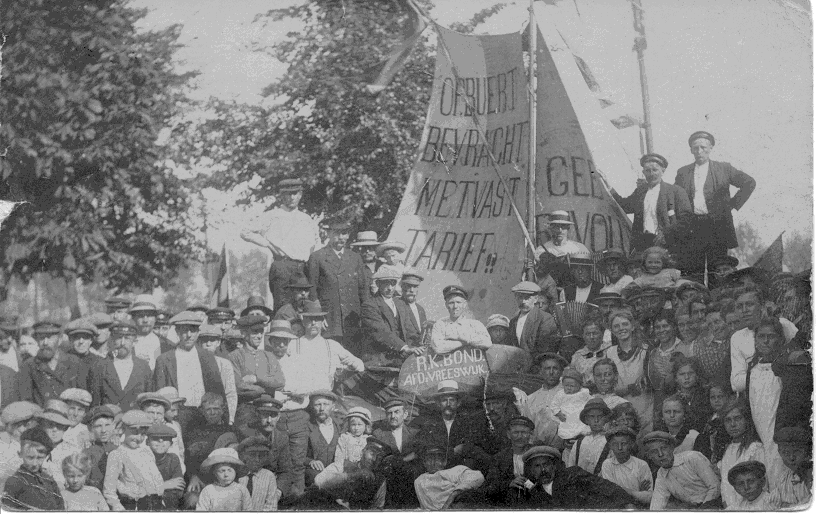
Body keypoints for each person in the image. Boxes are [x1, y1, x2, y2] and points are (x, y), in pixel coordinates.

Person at [674, 131, 756, 271]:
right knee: (693, 270)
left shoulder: (724, 169)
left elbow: (749, 182)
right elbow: (675, 196)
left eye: (703, 147)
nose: (699, 151)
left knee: (718, 269)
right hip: (692, 227)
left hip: (717, 227)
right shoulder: (683, 172)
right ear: (691, 150)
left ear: (710, 148)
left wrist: (732, 204)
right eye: (695, 148)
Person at [241, 178, 322, 313]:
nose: (291, 197)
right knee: (283, 308)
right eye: (287, 194)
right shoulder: (272, 215)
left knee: (306, 307)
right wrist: (267, 244)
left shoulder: (306, 219)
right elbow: (245, 231)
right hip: (282, 266)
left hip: (304, 268)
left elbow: (316, 242)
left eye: (295, 193)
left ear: (300, 195)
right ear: (281, 195)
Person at [153, 311, 227, 431]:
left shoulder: (207, 357)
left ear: (198, 332)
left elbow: (218, 392)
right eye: (184, 330)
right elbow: (159, 397)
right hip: (177, 418)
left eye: (192, 330)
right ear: (177, 332)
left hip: (205, 416)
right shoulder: (164, 360)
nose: (188, 335)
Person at [305, 219, 369, 349]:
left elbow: (363, 290)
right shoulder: (317, 257)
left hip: (352, 319)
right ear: (329, 234)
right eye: (337, 233)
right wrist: (318, 317)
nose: (341, 237)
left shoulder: (355, 258)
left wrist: (366, 317)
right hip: (330, 319)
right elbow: (312, 291)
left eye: (344, 233)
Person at [609, 153, 692, 252]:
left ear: (663, 171)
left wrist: (667, 233)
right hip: (642, 243)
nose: (651, 174)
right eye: (648, 171)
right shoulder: (640, 191)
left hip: (666, 243)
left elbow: (686, 220)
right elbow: (624, 206)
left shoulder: (676, 191)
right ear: (643, 172)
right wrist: (609, 187)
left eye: (655, 170)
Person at [730, 288, 797, 394]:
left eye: (749, 304)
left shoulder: (783, 325)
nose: (744, 310)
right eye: (739, 306)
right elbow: (736, 383)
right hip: (756, 396)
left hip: (786, 391)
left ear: (761, 306)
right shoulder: (737, 338)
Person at [414, 381, 491, 471]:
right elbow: (424, 448)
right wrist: (453, 451)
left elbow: (469, 447)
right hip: (438, 471)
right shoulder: (430, 425)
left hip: (462, 470)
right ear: (438, 404)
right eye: (444, 400)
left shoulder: (468, 423)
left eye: (452, 400)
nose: (448, 404)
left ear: (458, 403)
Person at [103, 410, 167, 511]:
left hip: (155, 503)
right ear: (124, 430)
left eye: (143, 434)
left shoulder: (147, 451)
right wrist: (117, 507)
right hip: (134, 505)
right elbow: (109, 489)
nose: (139, 438)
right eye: (135, 432)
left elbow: (155, 477)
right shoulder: (116, 454)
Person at [361, 266, 422, 367]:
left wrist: (420, 345)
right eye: (386, 283)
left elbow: (409, 329)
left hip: (398, 355)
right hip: (379, 357)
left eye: (393, 283)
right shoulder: (369, 305)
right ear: (378, 284)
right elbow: (380, 332)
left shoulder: (400, 303)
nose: (390, 288)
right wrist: (404, 347)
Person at [644, 431, 721, 509]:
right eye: (654, 451)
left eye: (664, 448)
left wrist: (702, 510)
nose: (660, 454)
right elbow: (657, 504)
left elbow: (715, 487)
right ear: (649, 456)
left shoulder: (692, 458)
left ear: (671, 448)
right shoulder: (661, 475)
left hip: (716, 505)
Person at [88, 320, 153, 412]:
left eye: (127, 338)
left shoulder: (144, 367)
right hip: (109, 422)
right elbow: (95, 405)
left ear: (134, 342)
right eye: (119, 338)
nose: (122, 343)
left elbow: (148, 403)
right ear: (112, 340)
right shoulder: (100, 366)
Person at [19, 321, 87, 406]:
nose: (45, 342)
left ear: (60, 340)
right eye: (41, 338)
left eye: (50, 337)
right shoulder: (28, 366)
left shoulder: (75, 362)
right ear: (36, 340)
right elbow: (26, 403)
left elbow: (85, 398)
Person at [606, 310, 651, 431]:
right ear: (611, 330)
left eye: (625, 324)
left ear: (632, 326)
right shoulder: (610, 353)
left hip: (645, 409)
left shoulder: (645, 350)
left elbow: (648, 383)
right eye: (616, 326)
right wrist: (630, 388)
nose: (621, 328)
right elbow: (608, 386)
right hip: (620, 414)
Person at [1, 427, 65, 511]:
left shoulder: (49, 480)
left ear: (47, 456)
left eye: (39, 458)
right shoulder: (14, 482)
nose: (34, 463)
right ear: (20, 454)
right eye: (30, 458)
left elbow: (61, 508)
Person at [745, 317, 786, 446]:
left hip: (781, 437)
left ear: (780, 340)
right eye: (761, 336)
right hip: (761, 436)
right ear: (755, 340)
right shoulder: (753, 370)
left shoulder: (785, 368)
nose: (766, 341)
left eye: (771, 336)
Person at [717, 398, 764, 509]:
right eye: (728, 420)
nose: (733, 424)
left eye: (737, 418)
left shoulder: (755, 448)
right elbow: (725, 486)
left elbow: (762, 486)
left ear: (746, 420)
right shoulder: (728, 449)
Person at [514, 353, 567, 447]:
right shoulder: (531, 400)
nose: (551, 372)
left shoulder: (568, 394)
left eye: (555, 368)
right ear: (540, 372)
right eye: (547, 368)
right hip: (540, 450)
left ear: (561, 372)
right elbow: (527, 430)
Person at [481, 416, 535, 506]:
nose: (520, 437)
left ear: (530, 434)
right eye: (516, 432)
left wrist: (530, 485)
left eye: (524, 432)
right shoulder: (499, 458)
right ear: (508, 434)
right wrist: (509, 483)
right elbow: (489, 487)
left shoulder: (536, 454)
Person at [413, 443, 485, 510]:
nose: (433, 463)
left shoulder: (454, 471)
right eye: (429, 459)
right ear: (424, 463)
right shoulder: (419, 481)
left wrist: (454, 494)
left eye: (437, 459)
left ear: (445, 461)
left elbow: (478, 477)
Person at [314, 407, 371, 487]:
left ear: (366, 426)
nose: (356, 428)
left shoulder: (368, 439)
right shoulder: (345, 437)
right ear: (348, 425)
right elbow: (339, 456)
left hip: (363, 470)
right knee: (321, 479)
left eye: (360, 425)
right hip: (345, 467)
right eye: (353, 425)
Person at [229, 316, 285, 397]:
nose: (259, 336)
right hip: (246, 405)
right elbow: (238, 386)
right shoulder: (234, 356)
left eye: (261, 332)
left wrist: (256, 379)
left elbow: (280, 382)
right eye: (255, 332)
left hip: (269, 405)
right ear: (244, 333)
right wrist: (267, 389)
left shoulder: (269, 356)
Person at [429, 285, 492, 355]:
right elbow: (438, 348)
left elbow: (487, 342)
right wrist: (462, 342)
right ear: (446, 305)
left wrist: (462, 337)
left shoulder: (475, 324)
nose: (455, 306)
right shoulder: (440, 324)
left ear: (464, 304)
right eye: (451, 303)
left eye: (458, 302)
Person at [600, 426, 652, 506]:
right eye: (615, 444)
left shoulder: (641, 465)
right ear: (610, 446)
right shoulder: (607, 464)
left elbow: (649, 498)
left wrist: (622, 490)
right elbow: (612, 494)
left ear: (631, 444)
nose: (620, 448)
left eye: (624, 444)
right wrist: (637, 494)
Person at [507, 281, 559, 356]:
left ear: (535, 299)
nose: (523, 301)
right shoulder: (513, 321)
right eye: (520, 297)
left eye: (527, 298)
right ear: (515, 298)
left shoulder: (545, 319)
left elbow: (546, 351)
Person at [0, 402, 42, 492]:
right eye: (21, 425)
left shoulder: (31, 444)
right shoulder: (4, 446)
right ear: (11, 426)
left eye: (30, 425)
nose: (25, 429)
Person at [303, 391, 341, 487]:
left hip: (336, 472)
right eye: (317, 404)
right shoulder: (306, 426)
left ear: (333, 406)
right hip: (314, 475)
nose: (322, 408)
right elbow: (296, 454)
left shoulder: (340, 426)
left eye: (326, 404)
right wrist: (310, 461)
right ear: (312, 406)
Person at [566, 397, 611, 473]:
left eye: (600, 416)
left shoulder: (609, 441)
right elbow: (571, 468)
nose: (596, 420)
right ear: (586, 419)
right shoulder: (579, 443)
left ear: (606, 418)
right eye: (592, 417)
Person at [236, 436, 282, 510]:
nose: (257, 460)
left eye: (262, 456)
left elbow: (271, 505)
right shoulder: (238, 475)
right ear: (243, 456)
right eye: (252, 455)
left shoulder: (269, 476)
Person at [145, 424, 184, 509]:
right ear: (147, 442)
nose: (161, 441)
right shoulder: (142, 459)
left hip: (168, 504)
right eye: (155, 438)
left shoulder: (173, 459)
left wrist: (154, 489)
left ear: (171, 443)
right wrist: (165, 485)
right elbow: (139, 488)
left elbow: (179, 488)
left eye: (166, 438)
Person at [771, 426, 812, 508]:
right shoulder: (783, 479)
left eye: (797, 451)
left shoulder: (811, 478)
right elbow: (772, 506)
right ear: (779, 452)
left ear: (808, 452)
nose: (791, 458)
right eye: (786, 452)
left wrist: (788, 506)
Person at [550, 367, 591, 443]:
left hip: (580, 416)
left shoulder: (583, 393)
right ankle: (569, 440)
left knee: (583, 429)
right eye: (566, 385)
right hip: (567, 418)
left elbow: (591, 401)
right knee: (567, 431)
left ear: (579, 386)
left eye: (572, 386)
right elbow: (554, 405)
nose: (569, 388)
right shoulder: (560, 394)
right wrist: (559, 414)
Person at [85, 405, 118, 490]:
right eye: (98, 426)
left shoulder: (119, 448)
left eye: (107, 425)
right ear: (90, 428)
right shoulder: (87, 453)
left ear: (113, 425)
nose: (103, 430)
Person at [129, 294, 164, 371]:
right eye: (141, 316)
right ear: (134, 318)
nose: (145, 320)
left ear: (155, 318)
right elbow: (114, 358)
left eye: (149, 315)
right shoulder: (125, 341)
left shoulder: (166, 344)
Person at [399, 269, 428, 347]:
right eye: (408, 286)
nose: (412, 290)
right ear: (402, 286)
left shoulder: (420, 309)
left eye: (415, 286)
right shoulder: (396, 304)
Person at [59, 387, 93, 452]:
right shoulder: (56, 427)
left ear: (84, 414)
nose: (75, 414)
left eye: (80, 410)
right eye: (72, 408)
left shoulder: (87, 431)